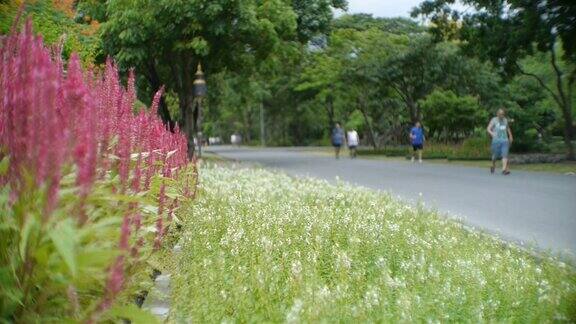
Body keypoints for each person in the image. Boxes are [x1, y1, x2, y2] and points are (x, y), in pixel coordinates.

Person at [487, 108, 513, 175]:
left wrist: (510, 135)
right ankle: (493, 164)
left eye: (503, 114)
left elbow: (507, 128)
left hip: (504, 140)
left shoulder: (505, 120)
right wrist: (492, 133)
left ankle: (504, 169)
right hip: (496, 141)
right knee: (495, 157)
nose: (502, 116)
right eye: (501, 114)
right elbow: (488, 128)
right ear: (497, 114)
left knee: (505, 155)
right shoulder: (494, 120)